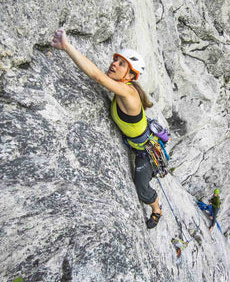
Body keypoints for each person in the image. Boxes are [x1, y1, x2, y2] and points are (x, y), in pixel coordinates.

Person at [51, 28, 162, 229]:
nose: (114, 64)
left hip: (145, 152)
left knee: (142, 188)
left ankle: (156, 209)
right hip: (138, 144)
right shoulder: (124, 88)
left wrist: (66, 46)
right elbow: (98, 75)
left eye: (121, 64)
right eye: (116, 60)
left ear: (130, 75)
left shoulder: (128, 93)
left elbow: (97, 76)